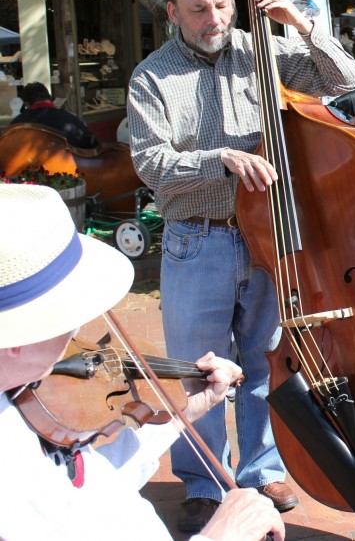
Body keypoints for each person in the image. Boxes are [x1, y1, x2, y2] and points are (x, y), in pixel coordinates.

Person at [127, 0, 355, 532]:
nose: (215, 18)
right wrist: (221, 159)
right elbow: (152, 164)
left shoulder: (263, 52)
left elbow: (344, 80)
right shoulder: (151, 77)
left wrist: (302, 24)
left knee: (263, 363)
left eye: (223, 4)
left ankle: (260, 469)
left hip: (268, 238)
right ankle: (207, 481)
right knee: (199, 373)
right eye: (199, 8)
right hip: (196, 241)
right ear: (173, 11)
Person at [0, 183, 285, 541]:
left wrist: (183, 411)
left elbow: (88, 490)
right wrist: (221, 535)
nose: (77, 328)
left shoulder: (18, 397)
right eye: (67, 310)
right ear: (17, 335)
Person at [11, 81, 99, 150]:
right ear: (49, 98)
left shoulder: (17, 123)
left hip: (30, 171)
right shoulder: (70, 118)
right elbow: (92, 144)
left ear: (26, 104)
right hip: (69, 169)